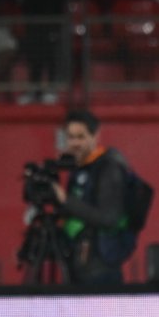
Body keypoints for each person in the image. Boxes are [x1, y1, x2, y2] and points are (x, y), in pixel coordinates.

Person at [52, 109, 131, 285]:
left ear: (95, 136)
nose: (74, 143)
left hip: (101, 267)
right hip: (79, 261)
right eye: (70, 137)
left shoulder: (109, 168)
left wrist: (66, 200)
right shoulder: (79, 167)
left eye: (80, 137)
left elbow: (108, 218)